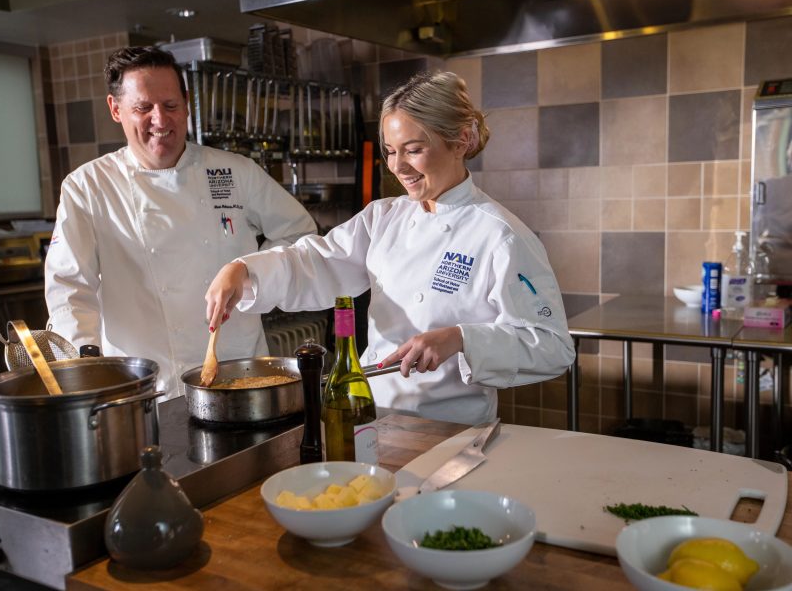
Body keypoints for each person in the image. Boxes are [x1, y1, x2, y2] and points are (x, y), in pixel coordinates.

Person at [204, 71, 575, 425]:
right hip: (374, 415)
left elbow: (552, 346)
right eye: (391, 151)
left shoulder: (500, 234)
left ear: (461, 141)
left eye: (413, 150)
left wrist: (461, 339)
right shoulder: (383, 217)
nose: (399, 167)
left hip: (451, 429)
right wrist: (245, 270)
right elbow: (317, 262)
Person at [45, 46, 317, 399]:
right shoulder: (88, 187)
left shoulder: (235, 172)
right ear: (116, 109)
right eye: (143, 108)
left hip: (237, 374)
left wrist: (250, 271)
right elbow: (70, 288)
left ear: (187, 104)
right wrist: (85, 373)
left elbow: (300, 235)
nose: (160, 120)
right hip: (141, 387)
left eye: (171, 105)